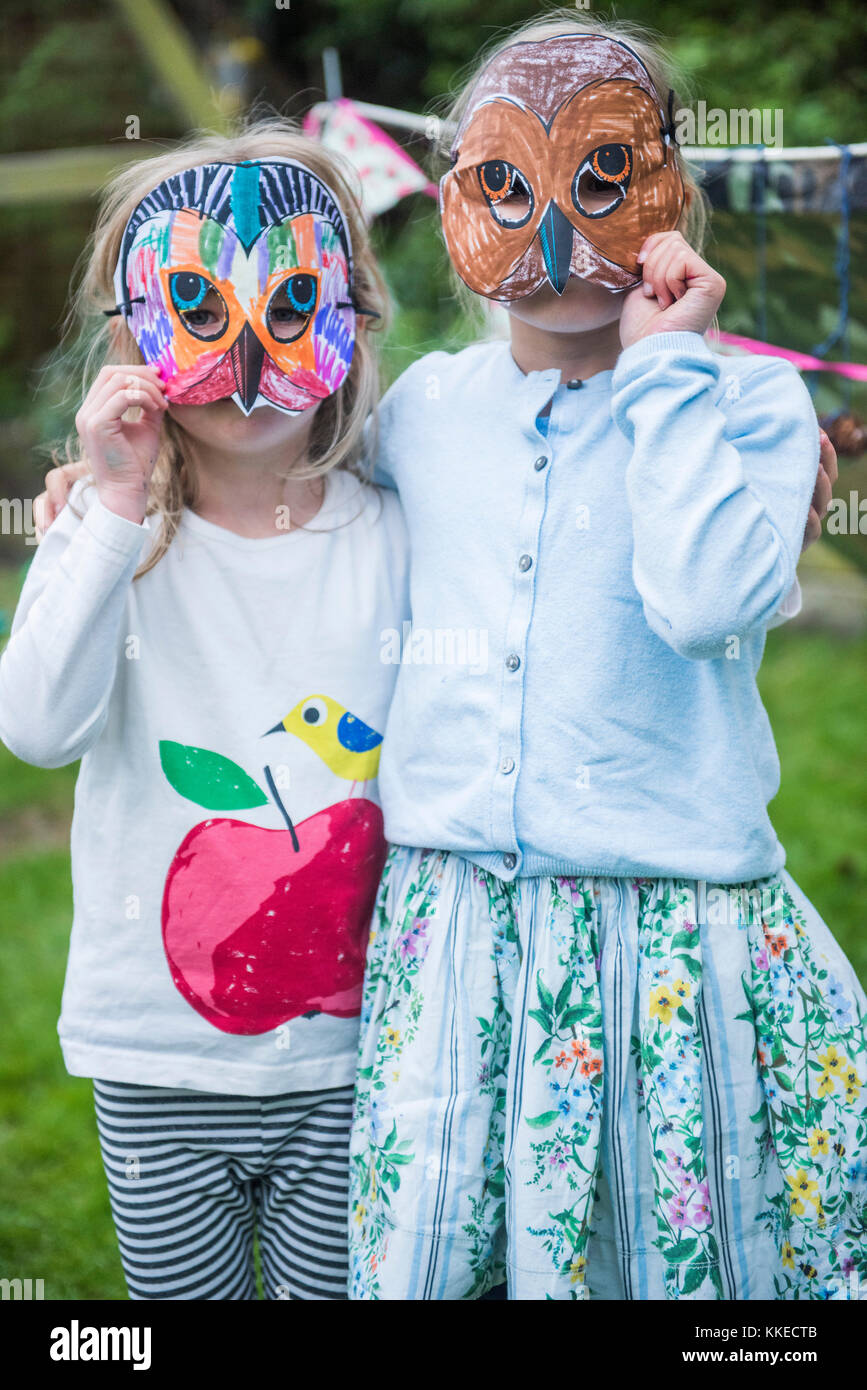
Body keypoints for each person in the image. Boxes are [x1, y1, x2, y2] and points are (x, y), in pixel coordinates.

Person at [343, 16, 865, 1301]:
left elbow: (702, 606)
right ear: (460, 198)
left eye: (607, 176)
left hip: (665, 920)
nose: (565, 234)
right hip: (459, 925)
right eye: (511, 186)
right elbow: (285, 528)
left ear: (669, 188)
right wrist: (117, 488)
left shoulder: (743, 403)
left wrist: (666, 372)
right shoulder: (423, 414)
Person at [0, 120, 408, 1300]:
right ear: (137, 334)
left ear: (350, 307)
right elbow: (34, 723)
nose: (239, 352)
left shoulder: (393, 531)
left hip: (348, 1057)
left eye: (287, 304)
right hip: (155, 1054)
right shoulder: (109, 533)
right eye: (193, 303)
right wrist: (112, 511)